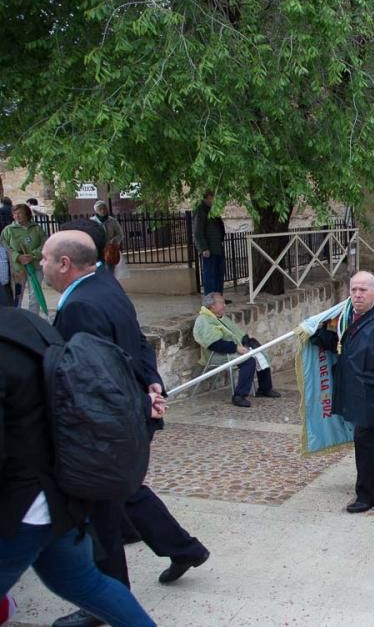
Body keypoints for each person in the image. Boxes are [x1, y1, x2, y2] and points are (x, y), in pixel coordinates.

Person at [42, 231, 208, 627]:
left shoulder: (82, 304)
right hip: (127, 413)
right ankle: (183, 548)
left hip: (105, 425)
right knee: (125, 494)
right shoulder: (104, 285)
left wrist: (147, 390)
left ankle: (106, 599)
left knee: (100, 508)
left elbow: (92, 375)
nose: (39, 264)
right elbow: (136, 343)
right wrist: (151, 384)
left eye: (46, 258)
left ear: (65, 264)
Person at [0, 309, 156, 627]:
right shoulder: (27, 323)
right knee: (84, 583)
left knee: (84, 583)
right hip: (61, 493)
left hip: (20, 506)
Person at [311, 271, 374, 513]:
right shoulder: (351, 316)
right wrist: (316, 334)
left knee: (365, 442)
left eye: (363, 290)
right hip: (358, 392)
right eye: (353, 290)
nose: (357, 295)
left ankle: (367, 496)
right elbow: (344, 346)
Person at [193, 293, 281, 407]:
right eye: (221, 302)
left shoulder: (219, 317)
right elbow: (213, 344)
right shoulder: (204, 320)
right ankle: (239, 396)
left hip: (232, 348)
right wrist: (236, 348)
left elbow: (236, 332)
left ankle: (265, 388)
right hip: (217, 354)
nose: (224, 305)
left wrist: (247, 341)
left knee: (259, 351)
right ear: (212, 306)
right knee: (248, 361)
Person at [0, 204, 45, 316]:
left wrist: (33, 255)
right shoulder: (8, 230)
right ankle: (16, 318)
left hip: (35, 266)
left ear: (27, 214)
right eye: (15, 214)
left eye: (20, 213)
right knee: (17, 295)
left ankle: (34, 318)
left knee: (35, 296)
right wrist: (17, 256)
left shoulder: (37, 229)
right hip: (18, 268)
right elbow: (4, 247)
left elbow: (45, 244)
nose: (17, 216)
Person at [192, 191, 226, 297]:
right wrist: (204, 248)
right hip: (209, 248)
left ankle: (219, 298)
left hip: (217, 246)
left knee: (219, 274)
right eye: (214, 197)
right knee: (210, 275)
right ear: (209, 197)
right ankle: (211, 300)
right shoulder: (201, 210)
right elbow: (198, 231)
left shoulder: (212, 210)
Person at [91, 201, 124, 274]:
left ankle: (110, 282)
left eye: (104, 208)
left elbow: (120, 234)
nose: (102, 210)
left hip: (110, 249)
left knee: (110, 268)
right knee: (99, 268)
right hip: (98, 250)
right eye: (100, 209)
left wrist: (114, 241)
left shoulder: (112, 221)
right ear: (96, 211)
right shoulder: (92, 221)